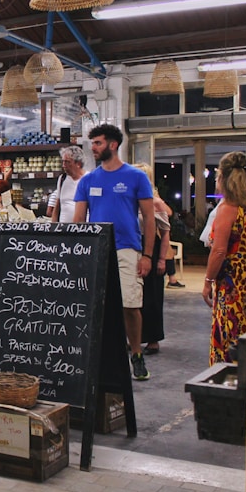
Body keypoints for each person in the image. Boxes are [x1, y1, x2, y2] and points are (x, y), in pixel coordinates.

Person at [74, 124, 155, 381]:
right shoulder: (87, 180)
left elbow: (150, 218)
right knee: (96, 307)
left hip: (127, 249)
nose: (93, 149)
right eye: (92, 144)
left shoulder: (136, 177)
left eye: (97, 143)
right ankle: (97, 356)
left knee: (130, 305)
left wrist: (148, 255)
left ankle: (136, 355)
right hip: (95, 252)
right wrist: (77, 252)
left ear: (112, 144)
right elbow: (78, 222)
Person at [202, 151, 246, 366]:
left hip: (230, 286)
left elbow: (219, 250)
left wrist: (208, 281)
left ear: (223, 177)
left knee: (228, 335)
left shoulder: (227, 209)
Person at [133, 163, 171, 356]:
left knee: (152, 295)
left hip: (151, 247)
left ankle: (153, 338)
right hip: (132, 245)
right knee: (133, 295)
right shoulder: (129, 199)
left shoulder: (155, 202)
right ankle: (135, 338)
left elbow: (165, 234)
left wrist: (162, 259)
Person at [51, 145, 86, 223]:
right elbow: (57, 204)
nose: (63, 165)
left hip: (82, 230)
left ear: (78, 164)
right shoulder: (62, 179)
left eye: (67, 162)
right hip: (63, 230)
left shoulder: (88, 179)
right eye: (63, 161)